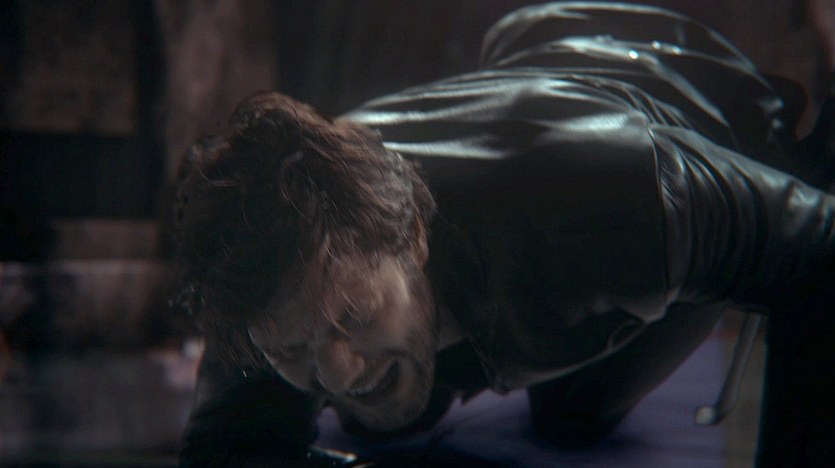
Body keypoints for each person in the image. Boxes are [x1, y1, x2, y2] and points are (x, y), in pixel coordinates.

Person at [172, 3, 835, 466]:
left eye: (353, 314)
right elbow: (227, 449)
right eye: (292, 347)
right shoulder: (260, 282)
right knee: (381, 405)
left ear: (414, 236)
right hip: (500, 181)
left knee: (573, 420)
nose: (335, 373)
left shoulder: (615, 193)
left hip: (659, 133)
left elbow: (819, 253)